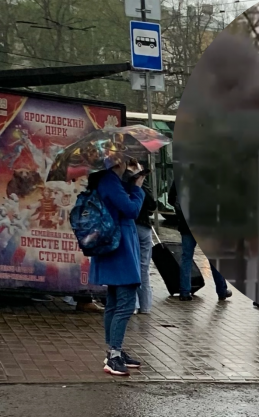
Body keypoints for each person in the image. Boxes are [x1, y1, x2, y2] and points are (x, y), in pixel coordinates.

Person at [87, 156, 145, 376]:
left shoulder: (107, 181)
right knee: (125, 302)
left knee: (113, 302)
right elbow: (131, 210)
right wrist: (138, 188)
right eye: (124, 160)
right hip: (120, 249)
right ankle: (114, 355)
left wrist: (129, 184)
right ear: (115, 162)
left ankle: (114, 350)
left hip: (114, 246)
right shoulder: (110, 181)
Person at [167, 179, 232, 302]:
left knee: (186, 258)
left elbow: (171, 199)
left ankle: (185, 292)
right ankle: (221, 291)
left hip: (187, 226)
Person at [128, 160, 156, 315]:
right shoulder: (142, 187)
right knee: (143, 268)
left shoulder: (125, 184)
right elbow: (153, 204)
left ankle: (133, 304)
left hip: (131, 227)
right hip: (144, 228)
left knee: (131, 265)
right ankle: (145, 306)